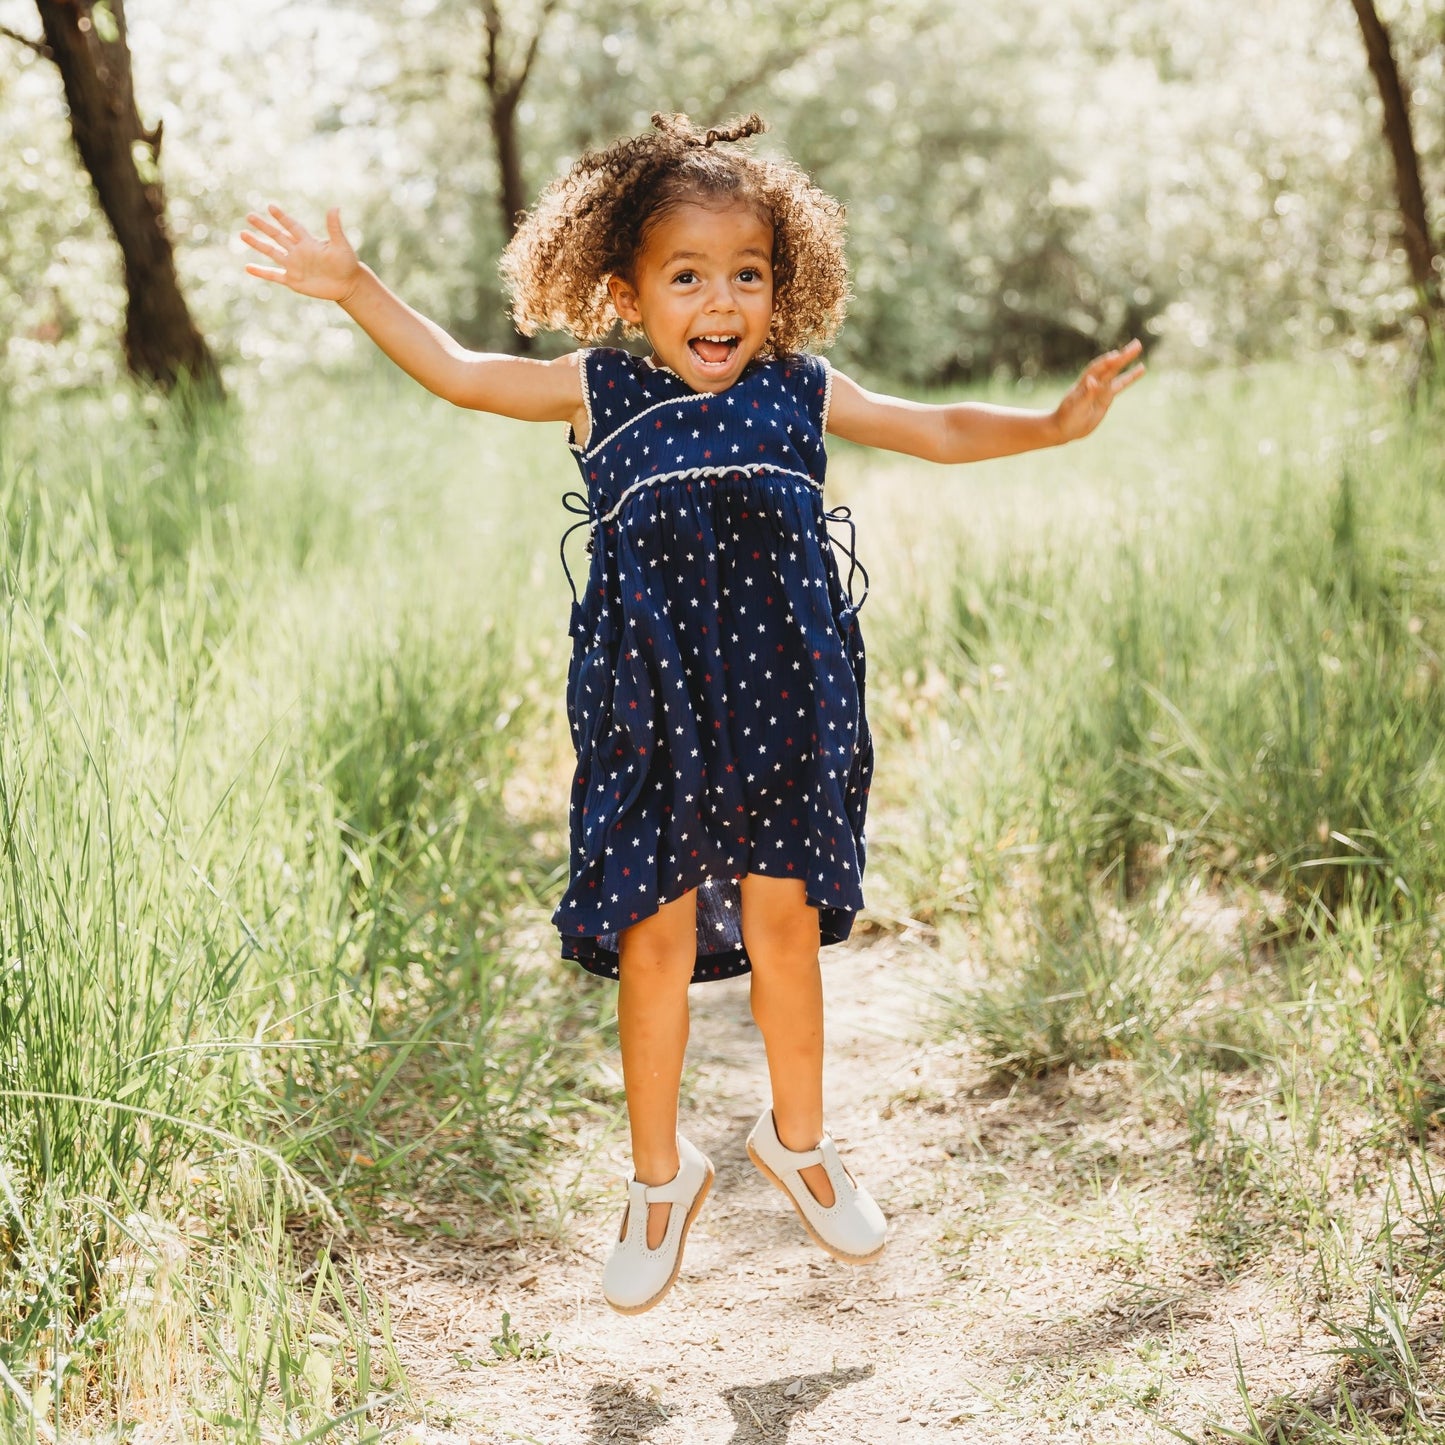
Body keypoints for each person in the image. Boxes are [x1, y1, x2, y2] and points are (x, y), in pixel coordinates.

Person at [241, 111, 1144, 1316]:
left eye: (748, 275)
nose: (721, 300)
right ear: (623, 290)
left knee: (783, 918)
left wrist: (1048, 423)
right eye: (686, 276)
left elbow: (931, 428)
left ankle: (802, 1142)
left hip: (785, 694)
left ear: (783, 285)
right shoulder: (597, 390)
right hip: (646, 709)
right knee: (652, 938)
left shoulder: (797, 392)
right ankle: (659, 1182)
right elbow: (461, 374)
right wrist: (353, 285)